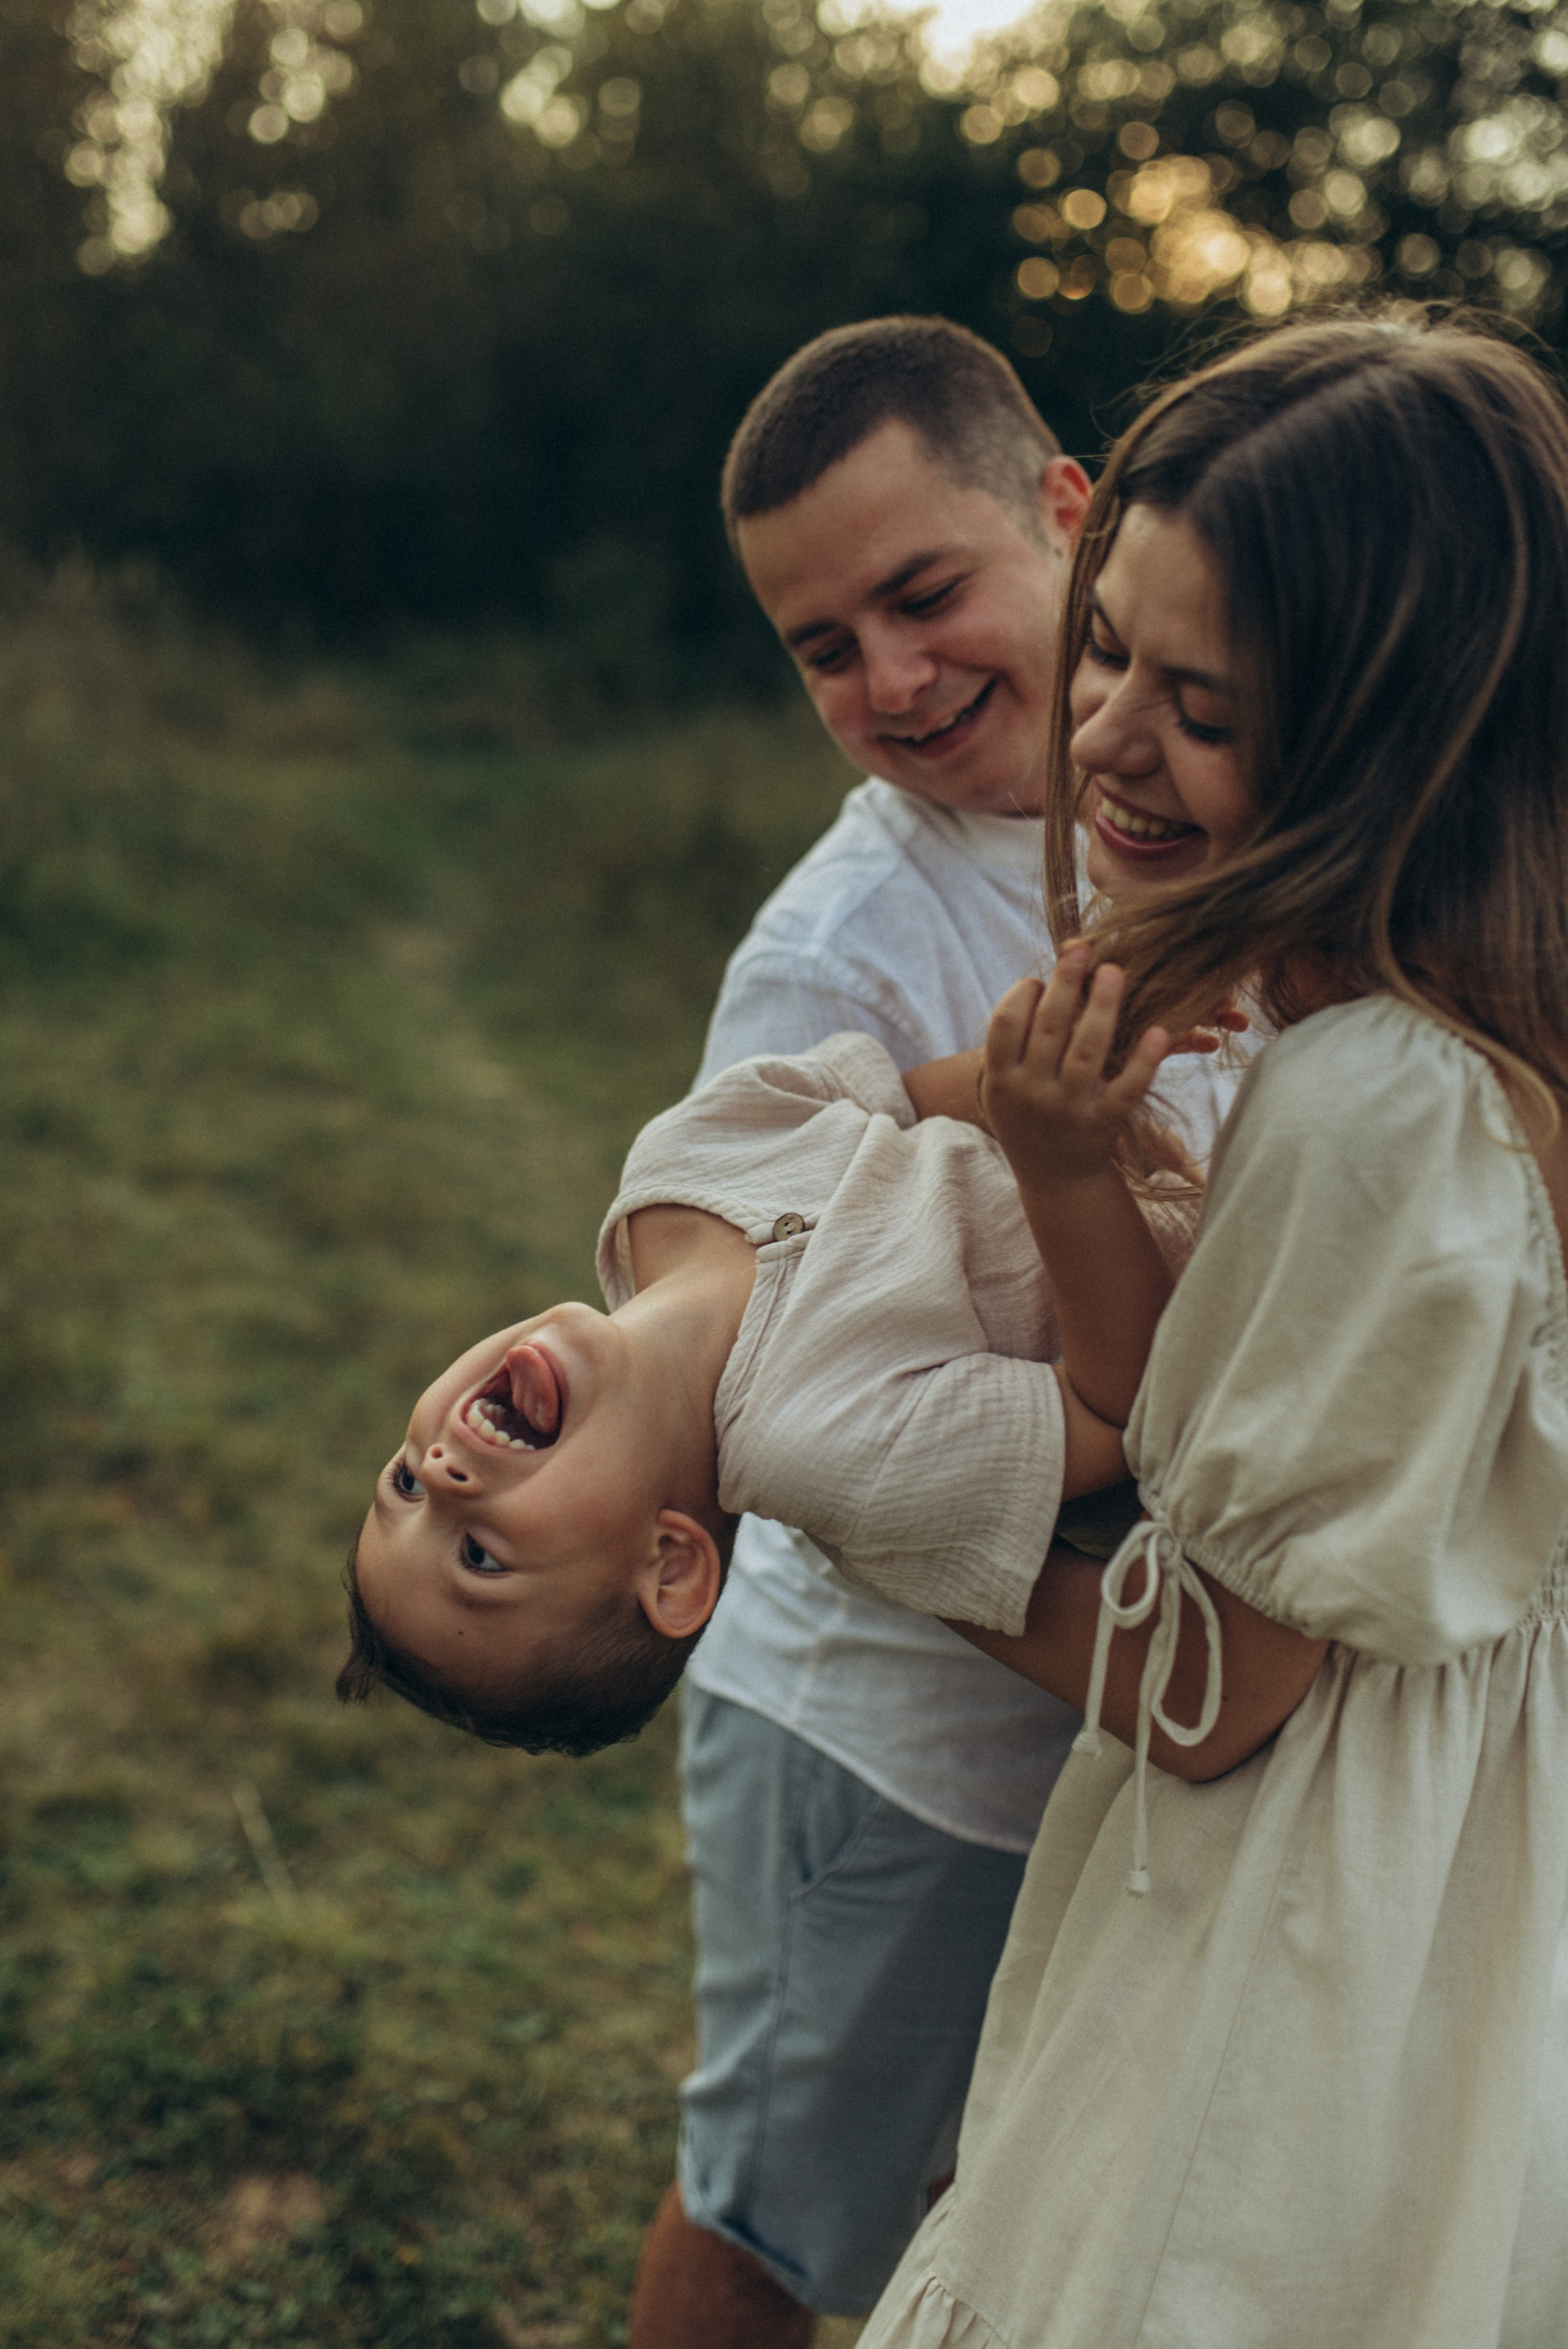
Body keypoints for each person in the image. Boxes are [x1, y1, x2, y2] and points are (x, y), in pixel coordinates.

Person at [854, 313, 1568, 2349]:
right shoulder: (1461, 1033)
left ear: (1393, 736)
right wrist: (1094, 1187)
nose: (1101, 742)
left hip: (1323, 1909)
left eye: (1206, 705)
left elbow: (1217, 1686)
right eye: (1105, 649)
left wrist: (860, 1502)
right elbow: (1314, 1479)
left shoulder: (1383, 1105)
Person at [631, 314, 1236, 2349]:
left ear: (1068, 513)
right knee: (789, 2203)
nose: (888, 679)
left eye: (922, 592)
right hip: (889, 1723)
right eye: (822, 646)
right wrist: (1095, 1644)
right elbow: (766, 1383)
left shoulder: (1215, 798)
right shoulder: (840, 948)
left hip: (1141, 1716)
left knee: (1021, 2195)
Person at [337, 951, 1199, 1751]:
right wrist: (1063, 1168)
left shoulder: (675, 1162)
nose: (444, 1474)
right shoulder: (833, 1454)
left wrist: (1075, 1059)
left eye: (403, 1482)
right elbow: (1125, 1408)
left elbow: (907, 1101)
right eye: (479, 1556)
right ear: (670, 1566)